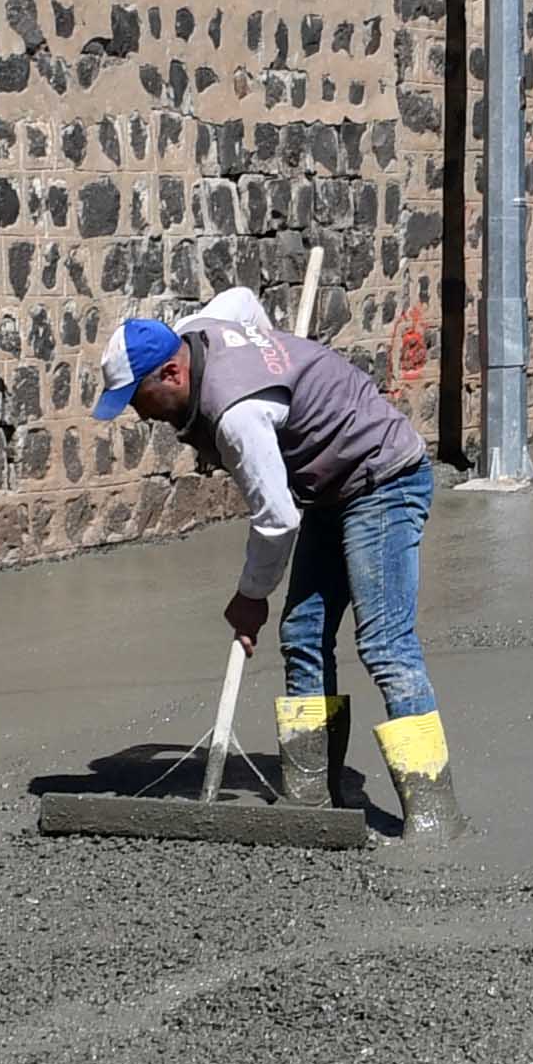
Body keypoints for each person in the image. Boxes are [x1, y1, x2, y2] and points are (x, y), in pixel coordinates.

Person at [97, 290, 461, 841]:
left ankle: (436, 815)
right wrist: (276, 354)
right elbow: (243, 301)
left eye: (137, 397)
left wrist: (250, 597)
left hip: (382, 476)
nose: (137, 413)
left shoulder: (238, 415)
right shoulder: (200, 328)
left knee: (385, 644)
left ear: (172, 372)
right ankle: (311, 797)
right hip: (328, 485)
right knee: (303, 635)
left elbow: (276, 520)